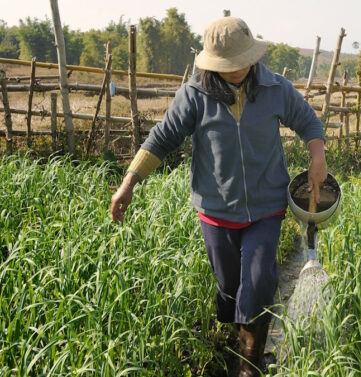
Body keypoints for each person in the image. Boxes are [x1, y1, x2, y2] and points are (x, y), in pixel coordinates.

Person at [109, 16, 327, 376]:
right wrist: (129, 182)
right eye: (229, 65)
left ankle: (249, 364)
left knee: (257, 282)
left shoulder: (275, 88)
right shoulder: (195, 95)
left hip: (266, 206)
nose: (238, 70)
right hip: (215, 208)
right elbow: (162, 137)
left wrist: (317, 155)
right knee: (229, 289)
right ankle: (236, 341)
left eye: (242, 62)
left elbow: (307, 121)